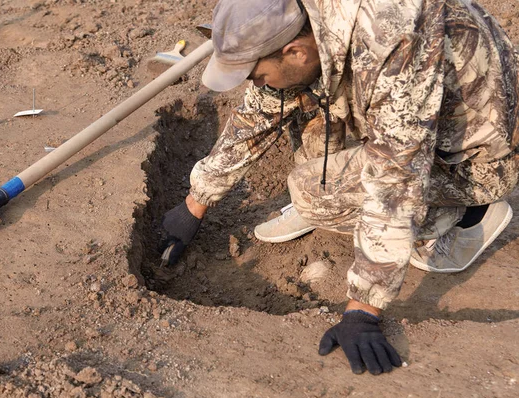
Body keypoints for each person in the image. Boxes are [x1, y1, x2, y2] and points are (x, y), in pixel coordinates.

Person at [159, 0, 519, 375]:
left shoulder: (392, 43)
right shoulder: (310, 20)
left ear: (294, 51)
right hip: (426, 117)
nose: (256, 84)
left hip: (477, 159)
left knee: (308, 190)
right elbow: (263, 108)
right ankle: (343, 197)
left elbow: (394, 179)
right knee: (297, 91)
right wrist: (195, 201)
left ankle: (469, 214)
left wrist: (363, 309)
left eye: (257, 74)